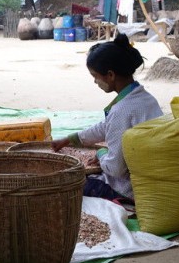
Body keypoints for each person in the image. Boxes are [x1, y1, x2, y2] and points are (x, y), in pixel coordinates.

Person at [52, 34, 163, 204]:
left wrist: (101, 152)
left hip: (131, 189)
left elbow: (115, 168)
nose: (95, 81)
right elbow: (105, 126)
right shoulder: (144, 98)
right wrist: (70, 139)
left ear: (110, 75)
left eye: (95, 76)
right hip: (154, 178)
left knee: (71, 183)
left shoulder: (121, 111)